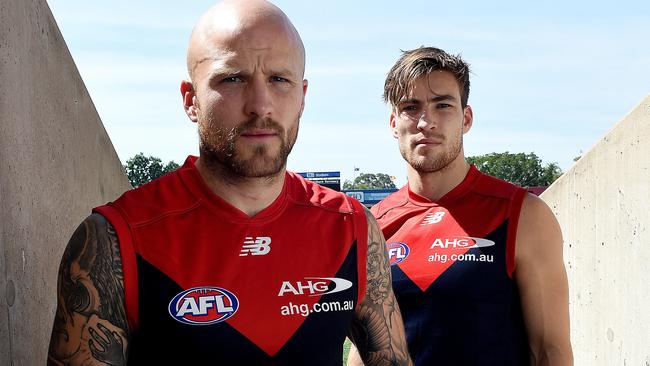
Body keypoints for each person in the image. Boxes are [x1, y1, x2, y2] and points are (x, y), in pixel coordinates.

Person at [47, 1, 413, 364]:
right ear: (191, 100)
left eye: (279, 80)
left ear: (302, 97)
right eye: (233, 79)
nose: (261, 105)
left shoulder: (352, 228)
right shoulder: (114, 240)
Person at [349, 47, 573, 365]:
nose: (426, 122)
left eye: (443, 105)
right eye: (411, 107)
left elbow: (550, 350)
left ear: (466, 119)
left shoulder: (522, 214)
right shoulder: (373, 226)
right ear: (393, 123)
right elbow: (366, 349)